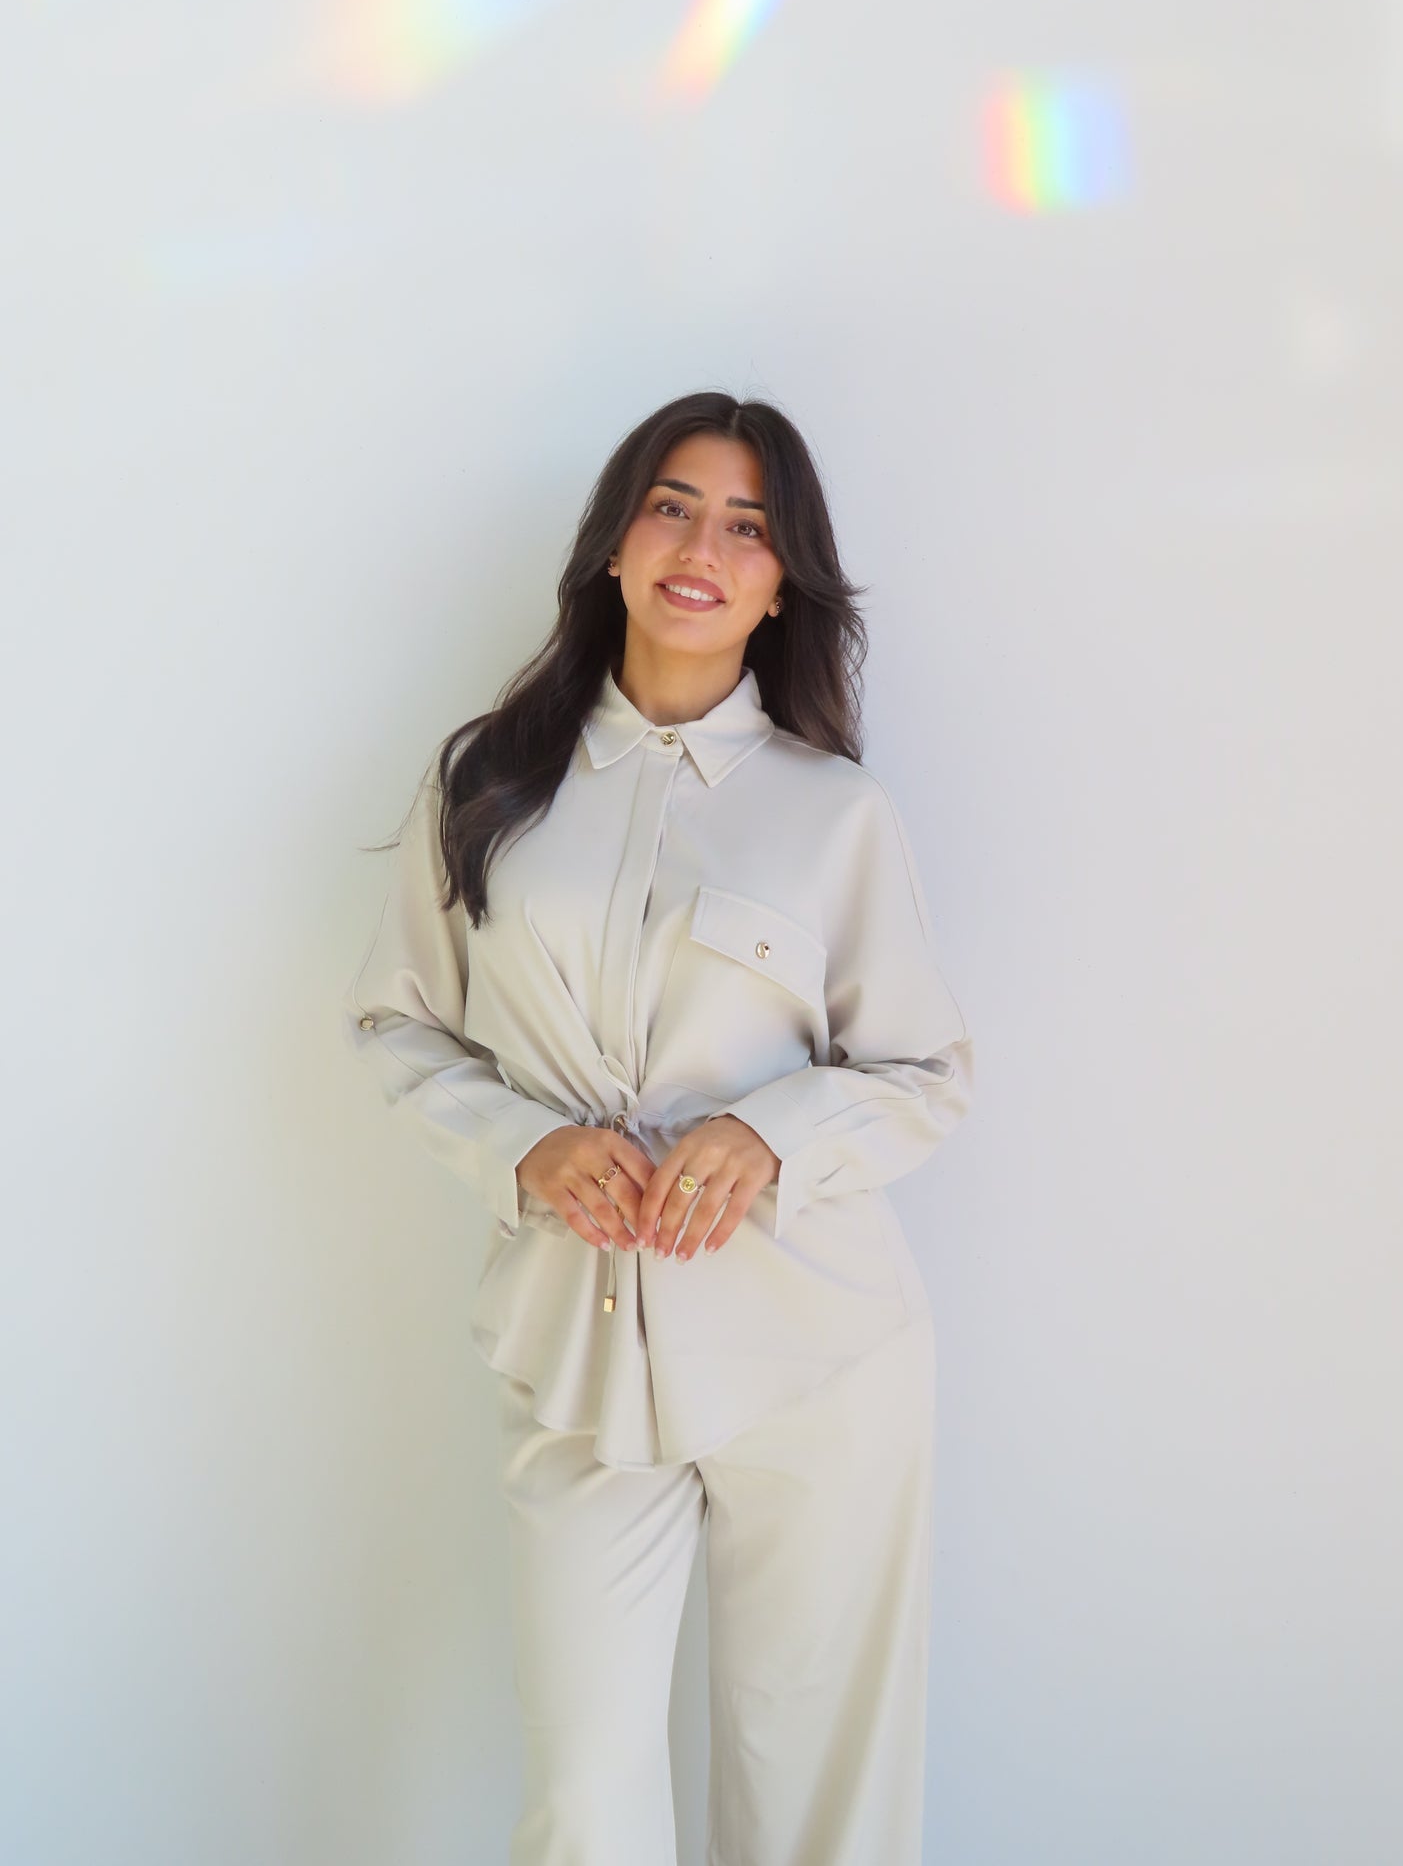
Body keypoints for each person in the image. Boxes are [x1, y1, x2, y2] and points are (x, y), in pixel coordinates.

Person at [341, 389, 975, 1865]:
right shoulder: (488, 782)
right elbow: (395, 1021)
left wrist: (771, 1135)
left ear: (781, 584)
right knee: (586, 1798)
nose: (704, 549)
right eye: (673, 507)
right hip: (578, 1357)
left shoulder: (836, 815)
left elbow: (924, 1072)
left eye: (749, 527)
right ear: (615, 545)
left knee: (817, 1790)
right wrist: (520, 1142)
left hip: (818, 1357)